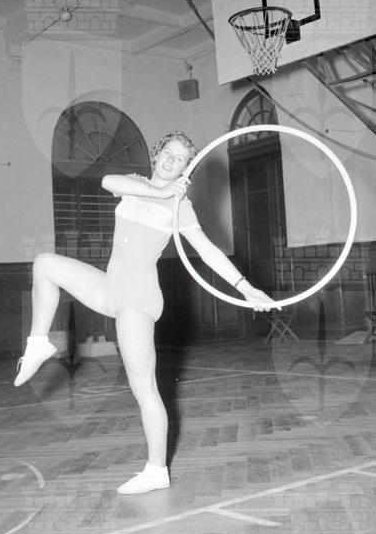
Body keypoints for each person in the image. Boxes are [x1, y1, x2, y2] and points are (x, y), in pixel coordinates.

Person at [14, 131, 274, 494]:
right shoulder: (136, 184)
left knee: (144, 387)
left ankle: (156, 470)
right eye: (168, 152)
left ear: (186, 170)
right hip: (110, 287)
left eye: (180, 158)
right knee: (44, 264)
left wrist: (245, 287)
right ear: (156, 154)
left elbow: (208, 251)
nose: (171, 160)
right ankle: (39, 343)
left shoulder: (180, 206)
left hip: (137, 298)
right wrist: (158, 191)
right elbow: (108, 181)